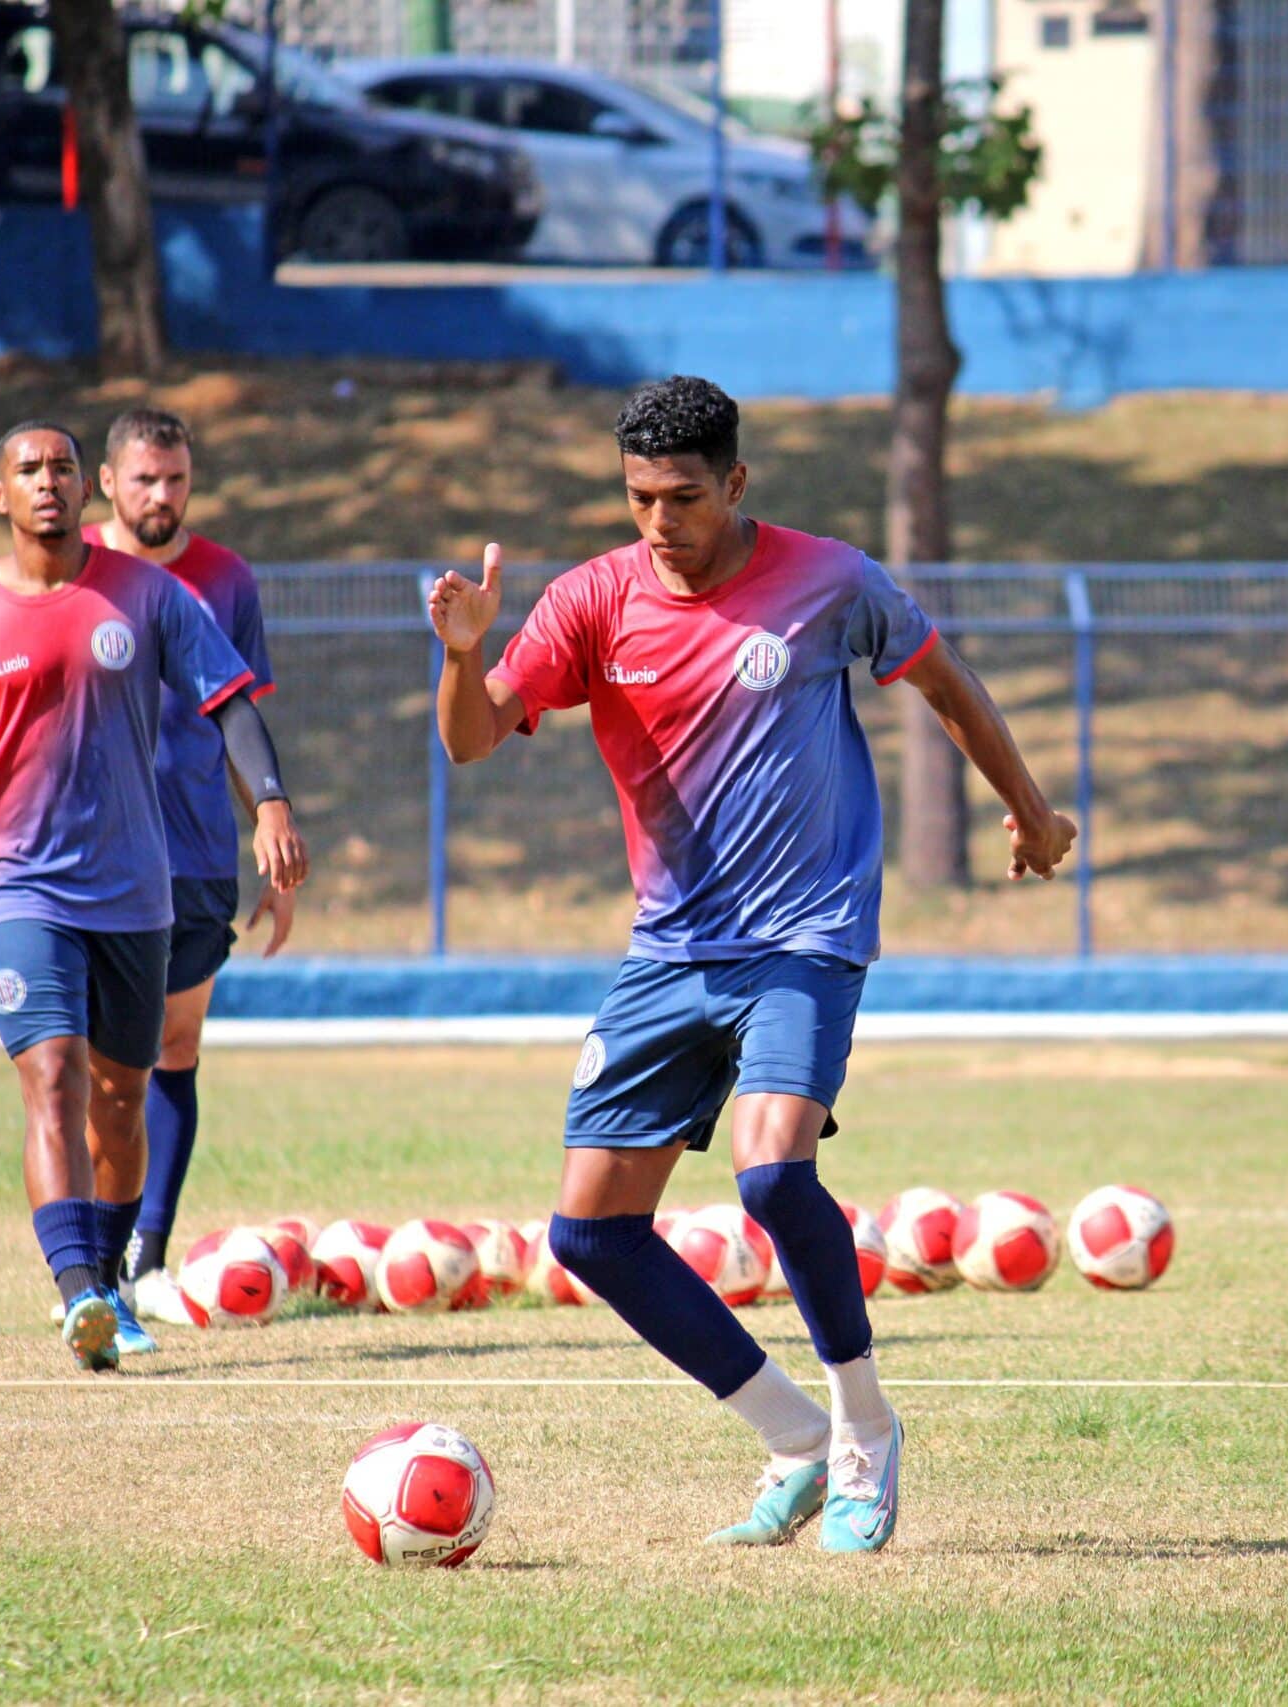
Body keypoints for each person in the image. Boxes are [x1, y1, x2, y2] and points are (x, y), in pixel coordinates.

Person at [428, 376, 1076, 1551]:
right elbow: (471, 740)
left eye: (683, 496)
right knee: (590, 1234)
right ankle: (792, 1437)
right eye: (638, 498)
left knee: (772, 1175)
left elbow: (946, 684)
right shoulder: (589, 601)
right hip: (671, 948)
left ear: (736, 483)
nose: (659, 522)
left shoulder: (830, 580)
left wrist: (1029, 812)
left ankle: (866, 1430)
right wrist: (463, 657)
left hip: (805, 937)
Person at [0, 422, 308, 1370]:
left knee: (124, 1098)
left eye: (61, 468)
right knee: (54, 1079)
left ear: (89, 488)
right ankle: (79, 1288)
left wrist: (271, 802)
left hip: (134, 890)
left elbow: (232, 700)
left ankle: (112, 1276)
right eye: (28, 470)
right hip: (12, 885)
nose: (48, 482)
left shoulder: (151, 595)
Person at [84, 407, 290, 1327]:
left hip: (200, 854)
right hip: (93, 857)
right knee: (97, 1067)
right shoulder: (73, 570)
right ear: (107, 484)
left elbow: (236, 718)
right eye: (144, 480)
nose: (161, 496)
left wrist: (271, 835)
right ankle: (86, 1267)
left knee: (174, 1049)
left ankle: (148, 1260)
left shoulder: (225, 581)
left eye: (175, 479)